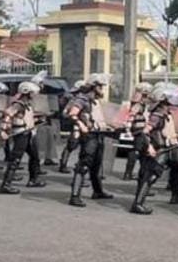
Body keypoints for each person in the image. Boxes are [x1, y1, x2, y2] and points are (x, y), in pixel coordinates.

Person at [130, 86, 178, 214]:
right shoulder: (157, 116)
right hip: (160, 149)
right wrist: (149, 147)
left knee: (176, 166)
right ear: (163, 101)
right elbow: (145, 132)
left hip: (168, 148)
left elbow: (164, 131)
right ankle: (138, 204)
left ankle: (176, 195)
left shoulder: (165, 114)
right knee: (151, 176)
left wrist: (176, 136)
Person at [67, 74, 113, 207]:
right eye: (100, 86)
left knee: (97, 165)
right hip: (89, 136)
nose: (102, 89)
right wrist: (81, 125)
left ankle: (98, 191)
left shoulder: (95, 101)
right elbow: (72, 114)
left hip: (98, 134)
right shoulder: (83, 99)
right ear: (93, 86)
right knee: (84, 164)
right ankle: (75, 196)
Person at [0, 81, 45, 195]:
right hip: (21, 134)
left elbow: (26, 118)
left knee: (35, 157)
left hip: (28, 133)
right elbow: (8, 115)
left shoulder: (27, 104)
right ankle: (6, 185)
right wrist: (3, 130)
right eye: (32, 93)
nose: (34, 95)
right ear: (26, 92)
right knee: (15, 159)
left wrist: (38, 120)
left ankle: (33, 180)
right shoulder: (18, 104)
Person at [58, 80, 89, 174]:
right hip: (77, 126)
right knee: (71, 145)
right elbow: (65, 113)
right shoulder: (75, 100)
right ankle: (63, 165)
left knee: (86, 148)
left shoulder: (87, 100)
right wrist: (75, 118)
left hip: (86, 126)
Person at [123, 82, 152, 181]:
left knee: (136, 150)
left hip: (137, 129)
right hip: (138, 130)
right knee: (137, 151)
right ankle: (129, 174)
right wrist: (128, 128)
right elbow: (131, 115)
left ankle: (129, 173)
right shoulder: (138, 104)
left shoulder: (138, 103)